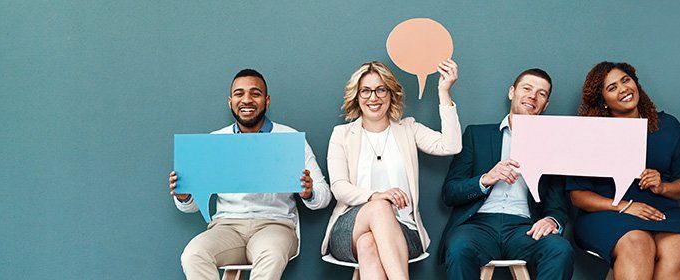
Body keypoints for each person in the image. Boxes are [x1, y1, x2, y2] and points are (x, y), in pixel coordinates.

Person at [168, 69, 332, 280]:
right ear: (230, 102)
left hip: (275, 225)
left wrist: (308, 193)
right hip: (227, 227)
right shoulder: (215, 141)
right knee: (194, 254)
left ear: (267, 100)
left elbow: (324, 196)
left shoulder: (289, 138)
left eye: (255, 93)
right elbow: (191, 206)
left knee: (271, 255)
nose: (247, 99)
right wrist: (184, 196)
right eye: (239, 94)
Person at [322, 60, 462, 280]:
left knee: (368, 243)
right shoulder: (342, 134)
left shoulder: (408, 129)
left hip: (403, 229)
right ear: (357, 96)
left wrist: (444, 93)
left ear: (390, 94)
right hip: (350, 228)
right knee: (380, 207)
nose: (373, 97)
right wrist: (377, 196)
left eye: (381, 89)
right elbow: (339, 188)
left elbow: (451, 146)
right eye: (365, 91)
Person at [567, 62, 680, 279]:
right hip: (607, 212)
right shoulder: (590, 134)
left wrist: (663, 187)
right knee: (638, 242)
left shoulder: (668, 126)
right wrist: (625, 206)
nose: (623, 89)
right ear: (603, 101)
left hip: (662, 211)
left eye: (626, 80)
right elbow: (578, 196)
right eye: (612, 88)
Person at [440, 68, 574, 280]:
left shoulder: (552, 145)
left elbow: (557, 202)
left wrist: (552, 220)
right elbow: (450, 193)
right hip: (478, 226)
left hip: (525, 229)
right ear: (512, 92)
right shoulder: (476, 135)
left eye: (541, 93)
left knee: (560, 249)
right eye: (527, 88)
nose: (532, 96)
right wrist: (486, 179)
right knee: (459, 247)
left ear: (546, 104)